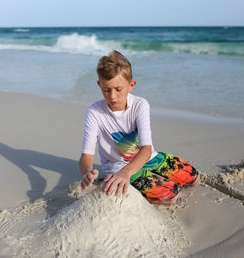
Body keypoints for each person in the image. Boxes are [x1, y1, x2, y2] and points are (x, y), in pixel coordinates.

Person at [79, 50, 200, 205]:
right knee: (172, 196)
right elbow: (86, 156)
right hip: (118, 168)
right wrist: (86, 173)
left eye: (118, 89)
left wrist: (127, 172)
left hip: (148, 159)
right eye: (106, 89)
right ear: (99, 85)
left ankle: (145, 178)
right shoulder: (95, 112)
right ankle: (133, 191)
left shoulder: (140, 105)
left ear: (131, 85)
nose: (112, 96)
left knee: (195, 179)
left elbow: (146, 149)